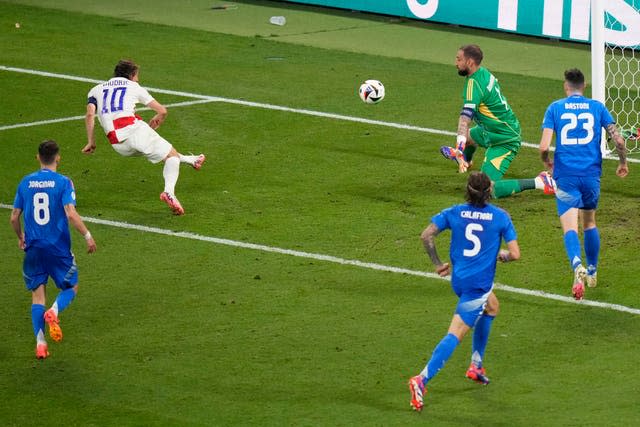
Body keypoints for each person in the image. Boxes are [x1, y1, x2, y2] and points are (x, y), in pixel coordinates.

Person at [408, 171, 520, 412]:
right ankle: (421, 380)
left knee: (493, 307)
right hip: (477, 286)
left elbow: (426, 235)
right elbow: (516, 254)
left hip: (460, 279)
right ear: (489, 191)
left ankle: (476, 366)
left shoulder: (454, 212)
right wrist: (503, 256)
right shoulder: (501, 217)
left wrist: (438, 264)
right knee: (455, 334)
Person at [539, 68, 628, 300]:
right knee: (589, 223)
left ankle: (576, 263)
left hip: (566, 176)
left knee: (570, 227)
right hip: (591, 176)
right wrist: (622, 162)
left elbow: (543, 146)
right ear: (584, 86)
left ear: (565, 86)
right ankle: (592, 269)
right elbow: (618, 139)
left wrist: (547, 160)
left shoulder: (555, 107)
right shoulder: (597, 107)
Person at [82, 59, 205, 215]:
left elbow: (90, 114)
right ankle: (169, 193)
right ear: (132, 75)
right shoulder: (133, 87)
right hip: (132, 130)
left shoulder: (95, 90)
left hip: (117, 144)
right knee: (171, 157)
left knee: (164, 151)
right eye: (137, 75)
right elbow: (162, 110)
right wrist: (159, 117)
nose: (138, 79)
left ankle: (191, 160)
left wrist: (91, 141)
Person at [10, 140, 97, 359]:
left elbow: (13, 217)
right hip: (57, 248)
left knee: (37, 297)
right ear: (58, 157)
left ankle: (40, 343)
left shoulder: (25, 182)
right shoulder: (64, 182)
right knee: (72, 286)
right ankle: (55, 311)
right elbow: (70, 213)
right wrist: (87, 235)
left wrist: (21, 236)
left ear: (38, 158)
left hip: (34, 248)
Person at [440, 44, 556, 198]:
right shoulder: (483, 73)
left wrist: (458, 148)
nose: (456, 63)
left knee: (486, 190)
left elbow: (464, 120)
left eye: (459, 59)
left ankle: (540, 181)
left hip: (504, 139)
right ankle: (466, 160)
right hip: (492, 130)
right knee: (468, 137)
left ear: (470, 62)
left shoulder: (473, 85)